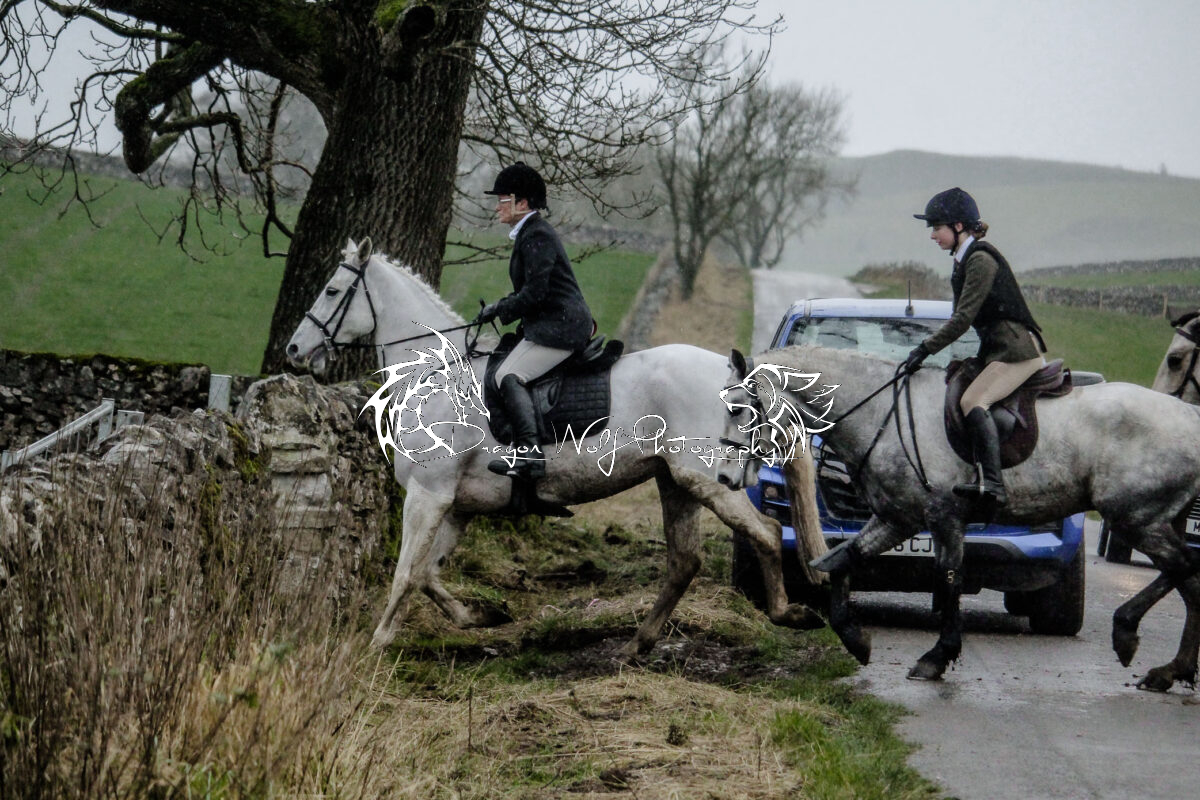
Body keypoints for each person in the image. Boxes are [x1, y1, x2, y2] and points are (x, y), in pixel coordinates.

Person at [903, 187, 1047, 507]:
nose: (932, 235)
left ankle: (993, 484)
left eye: (936, 228)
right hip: (999, 350)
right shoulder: (964, 260)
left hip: (1016, 351)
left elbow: (962, 319)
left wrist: (924, 349)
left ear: (958, 226)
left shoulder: (980, 260)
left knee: (973, 400)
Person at [478, 162, 593, 479]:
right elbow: (532, 290)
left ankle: (530, 455)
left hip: (561, 326)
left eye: (502, 200)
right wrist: (500, 308)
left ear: (523, 203)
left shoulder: (536, 234)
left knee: (509, 376)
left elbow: (536, 293)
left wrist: (501, 308)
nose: (497, 207)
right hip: (552, 322)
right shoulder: (531, 233)